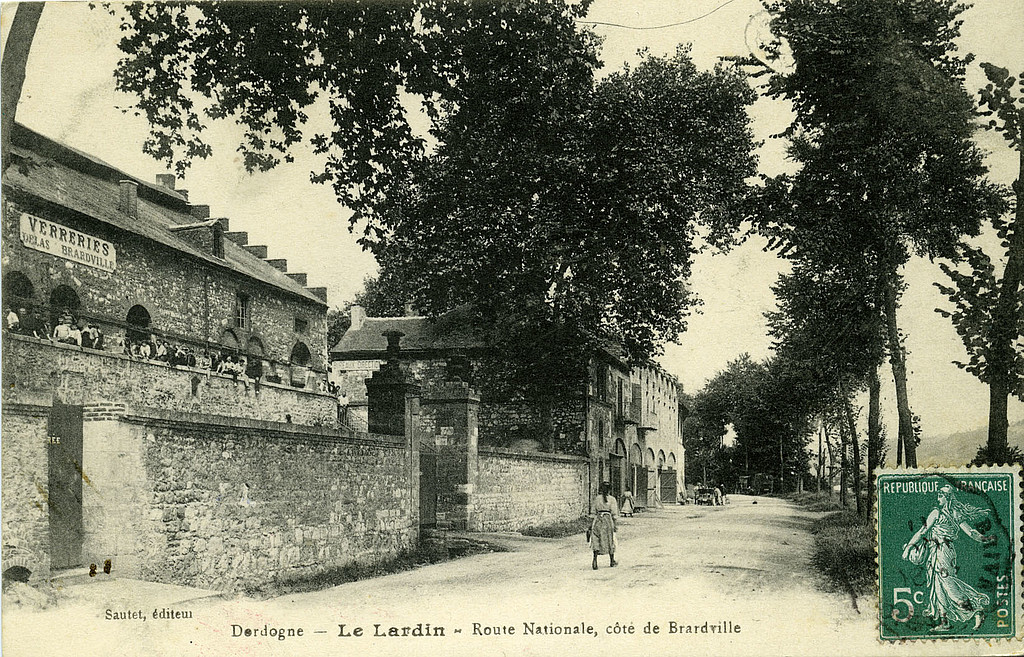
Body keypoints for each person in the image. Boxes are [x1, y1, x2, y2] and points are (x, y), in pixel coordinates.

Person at [902, 484, 993, 632]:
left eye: (941, 495)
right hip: (939, 551)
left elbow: (970, 532)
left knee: (949, 585)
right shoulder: (948, 513)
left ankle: (975, 610)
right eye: (938, 494)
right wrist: (984, 538)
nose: (938, 497)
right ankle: (945, 622)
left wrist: (984, 539)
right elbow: (923, 532)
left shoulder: (940, 513)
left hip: (942, 552)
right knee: (938, 587)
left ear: (948, 497)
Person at [589, 481, 619, 570]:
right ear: (610, 490)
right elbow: (614, 513)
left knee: (596, 539)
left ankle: (595, 560)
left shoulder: (597, 499)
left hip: (598, 520)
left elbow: (593, 512)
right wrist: (615, 525)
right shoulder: (612, 499)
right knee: (610, 539)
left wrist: (591, 525)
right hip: (608, 520)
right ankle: (612, 560)